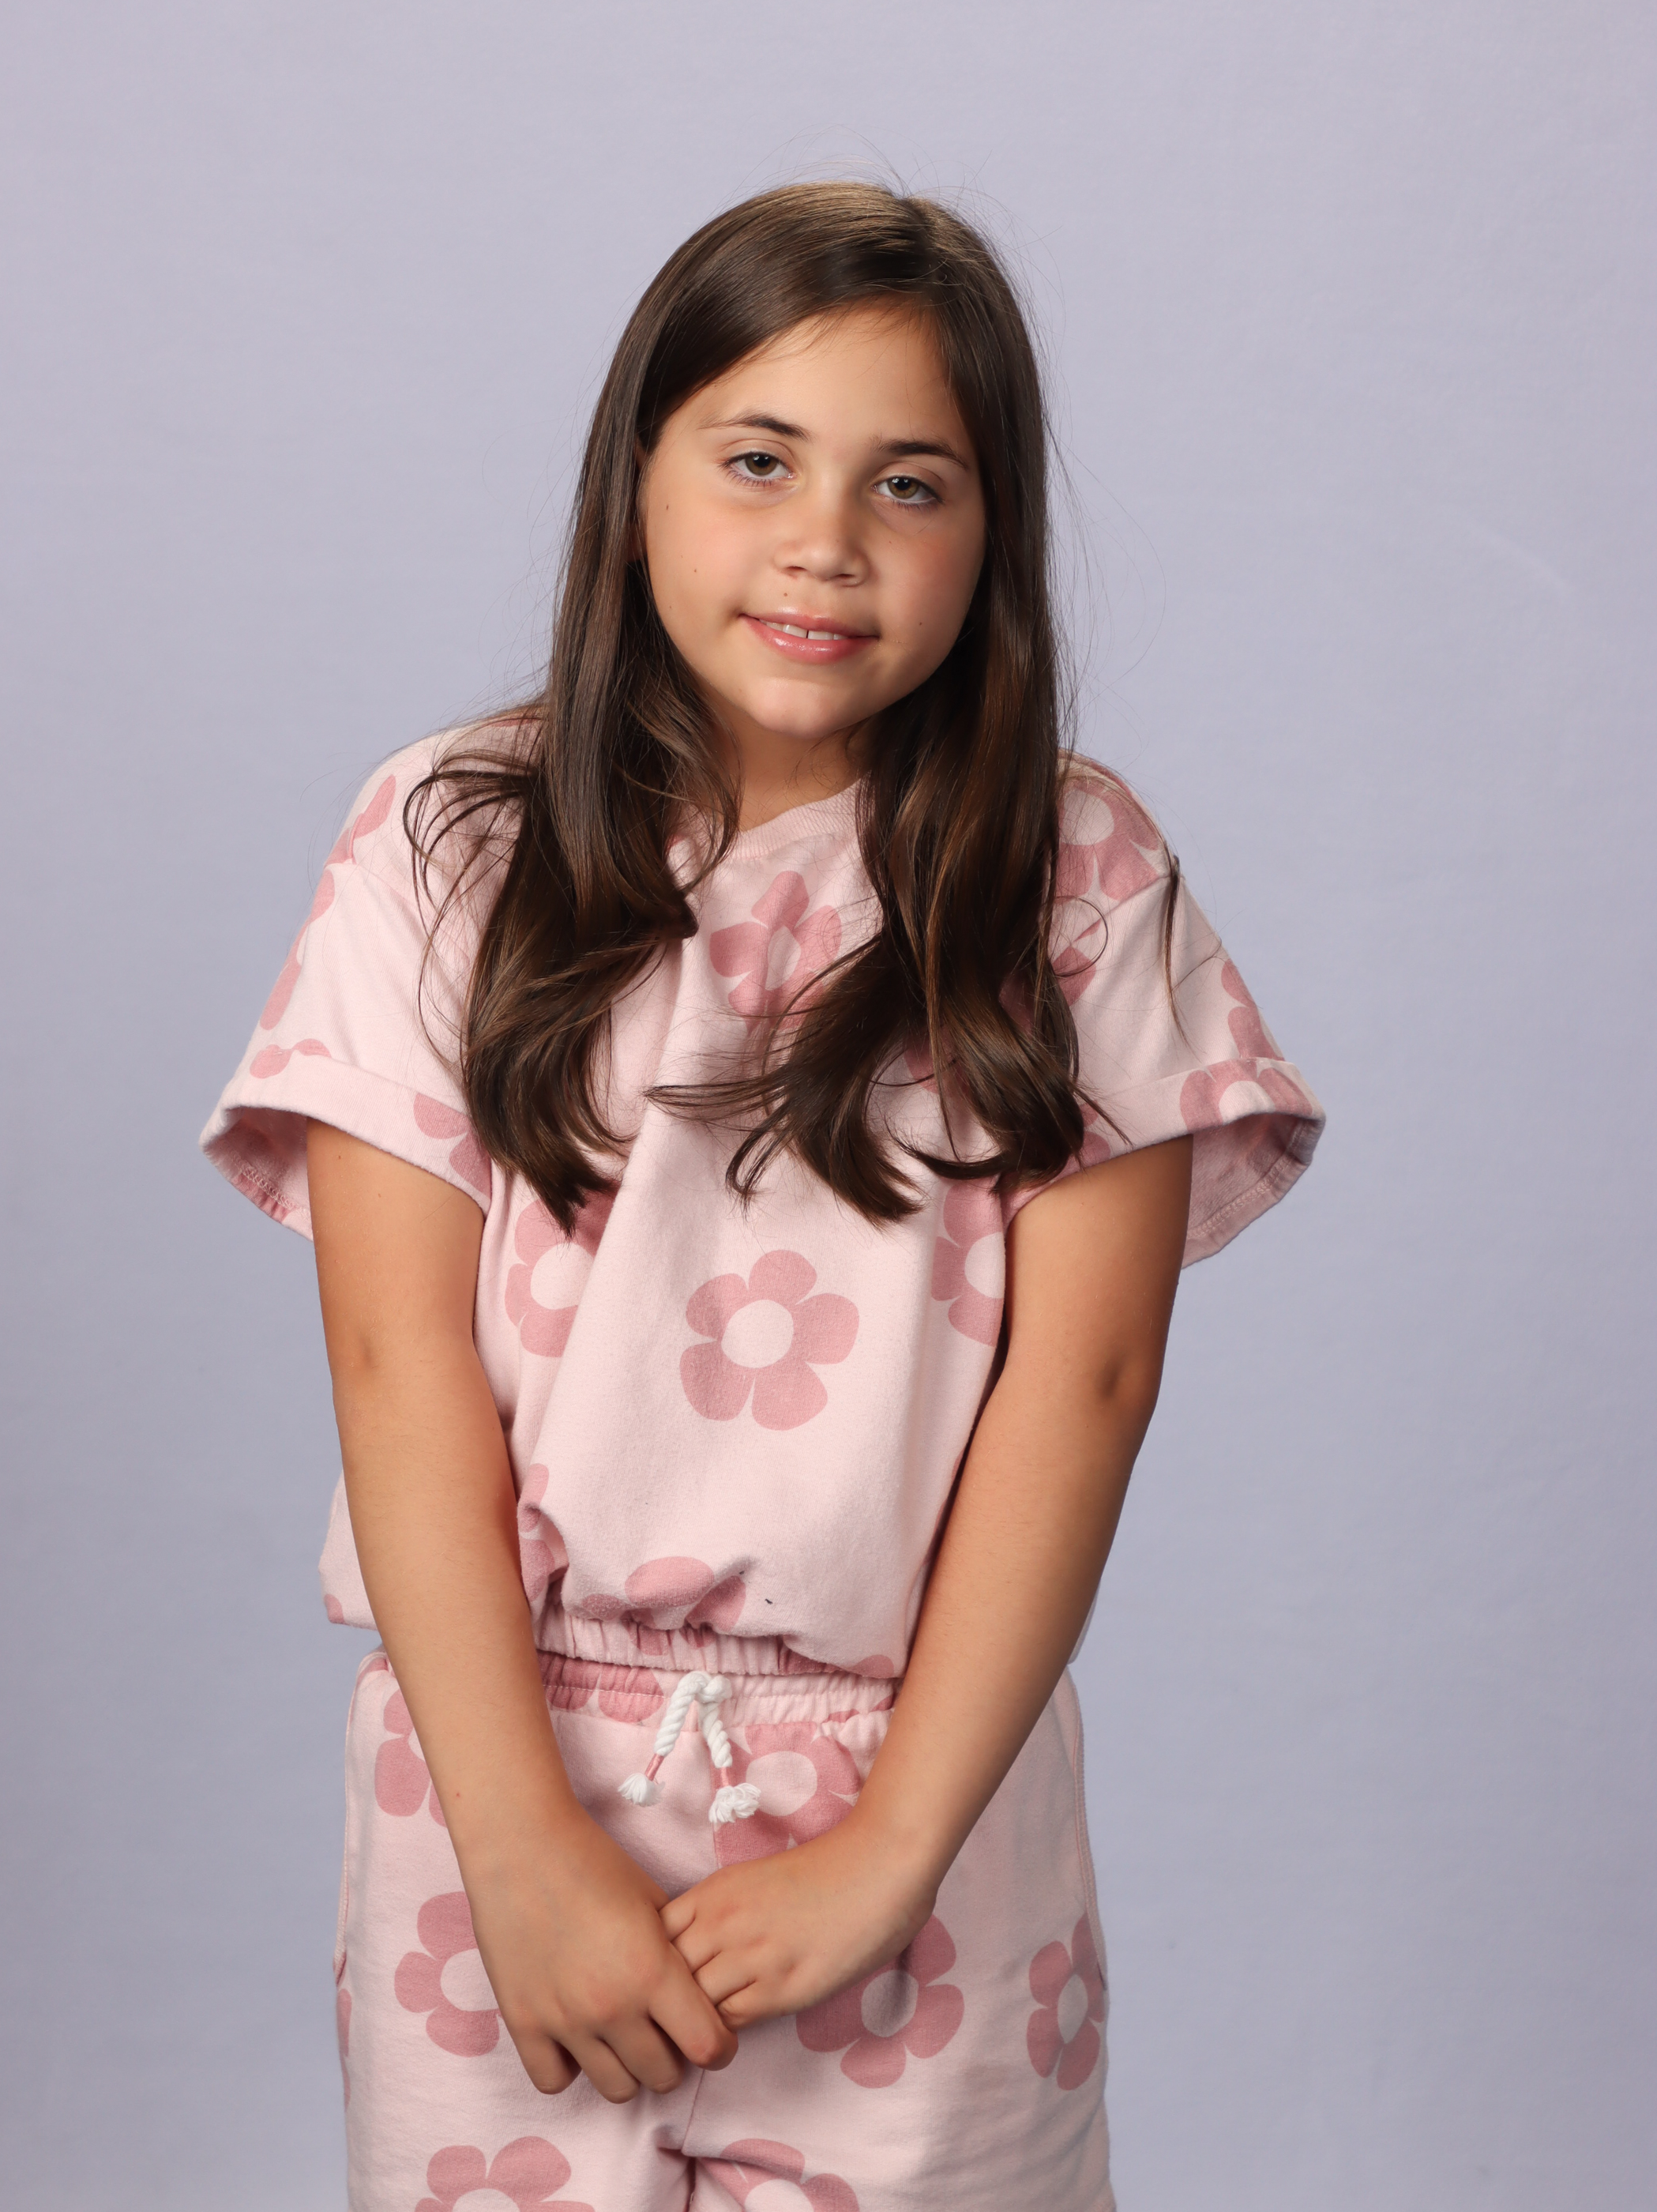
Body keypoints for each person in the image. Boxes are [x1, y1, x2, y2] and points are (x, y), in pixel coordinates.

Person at [202, 180, 1322, 2212]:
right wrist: (520, 1850)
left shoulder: (1074, 881)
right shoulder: (446, 844)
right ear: (636, 477)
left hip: (925, 1801)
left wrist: (890, 1847)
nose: (827, 540)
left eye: (911, 483)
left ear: (991, 535)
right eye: (756, 459)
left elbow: (1086, 1385)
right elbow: (393, 1364)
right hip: (504, 1791)